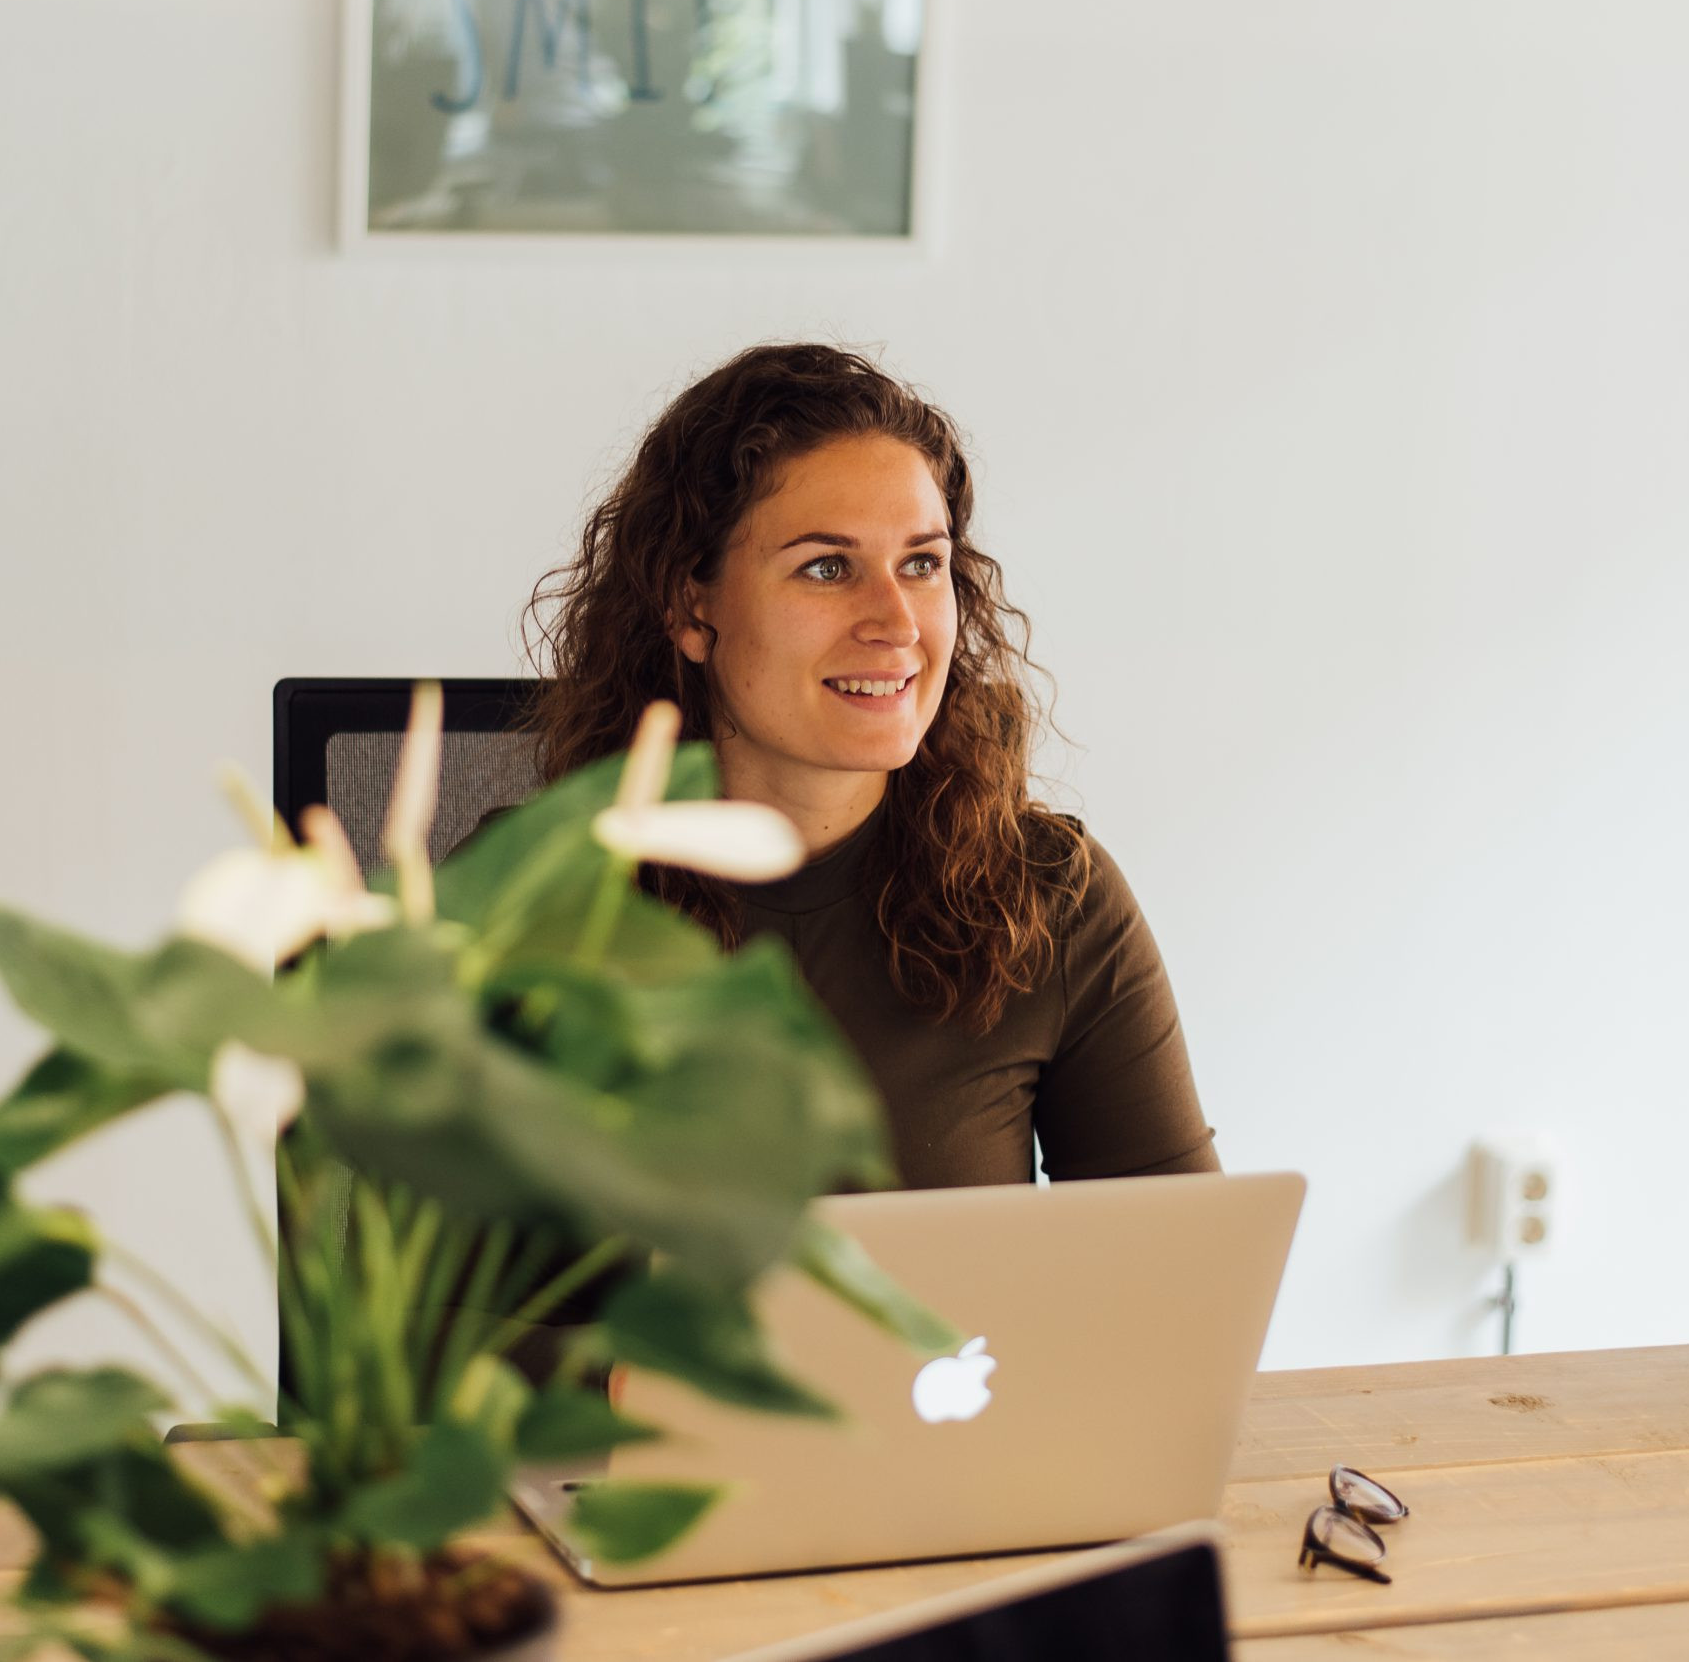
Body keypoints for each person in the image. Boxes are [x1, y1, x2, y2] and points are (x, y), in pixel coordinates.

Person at [520, 343, 1221, 1189]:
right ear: (689, 606)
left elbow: (1173, 1284)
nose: (896, 620)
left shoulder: (1052, 903)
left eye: (922, 564)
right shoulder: (526, 907)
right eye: (827, 567)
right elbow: (427, 1313)